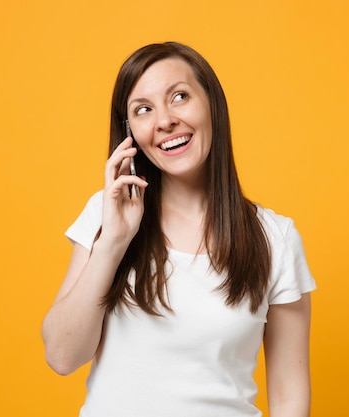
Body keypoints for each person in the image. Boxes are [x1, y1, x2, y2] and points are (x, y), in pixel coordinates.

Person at [41, 42, 316, 417]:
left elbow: (289, 396)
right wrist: (114, 242)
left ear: (212, 105)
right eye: (143, 110)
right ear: (129, 133)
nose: (164, 121)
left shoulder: (275, 238)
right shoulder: (107, 215)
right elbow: (61, 356)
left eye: (180, 97)